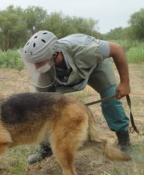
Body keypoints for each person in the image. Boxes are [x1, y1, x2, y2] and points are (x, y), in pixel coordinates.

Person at [18, 30, 131, 164]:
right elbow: (39, 102)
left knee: (111, 99)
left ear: (55, 54)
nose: (36, 67)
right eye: (34, 63)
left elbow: (117, 49)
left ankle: (124, 140)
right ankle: (45, 147)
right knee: (44, 108)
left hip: (93, 67)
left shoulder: (85, 49)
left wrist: (124, 83)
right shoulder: (43, 67)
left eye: (39, 62)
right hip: (57, 71)